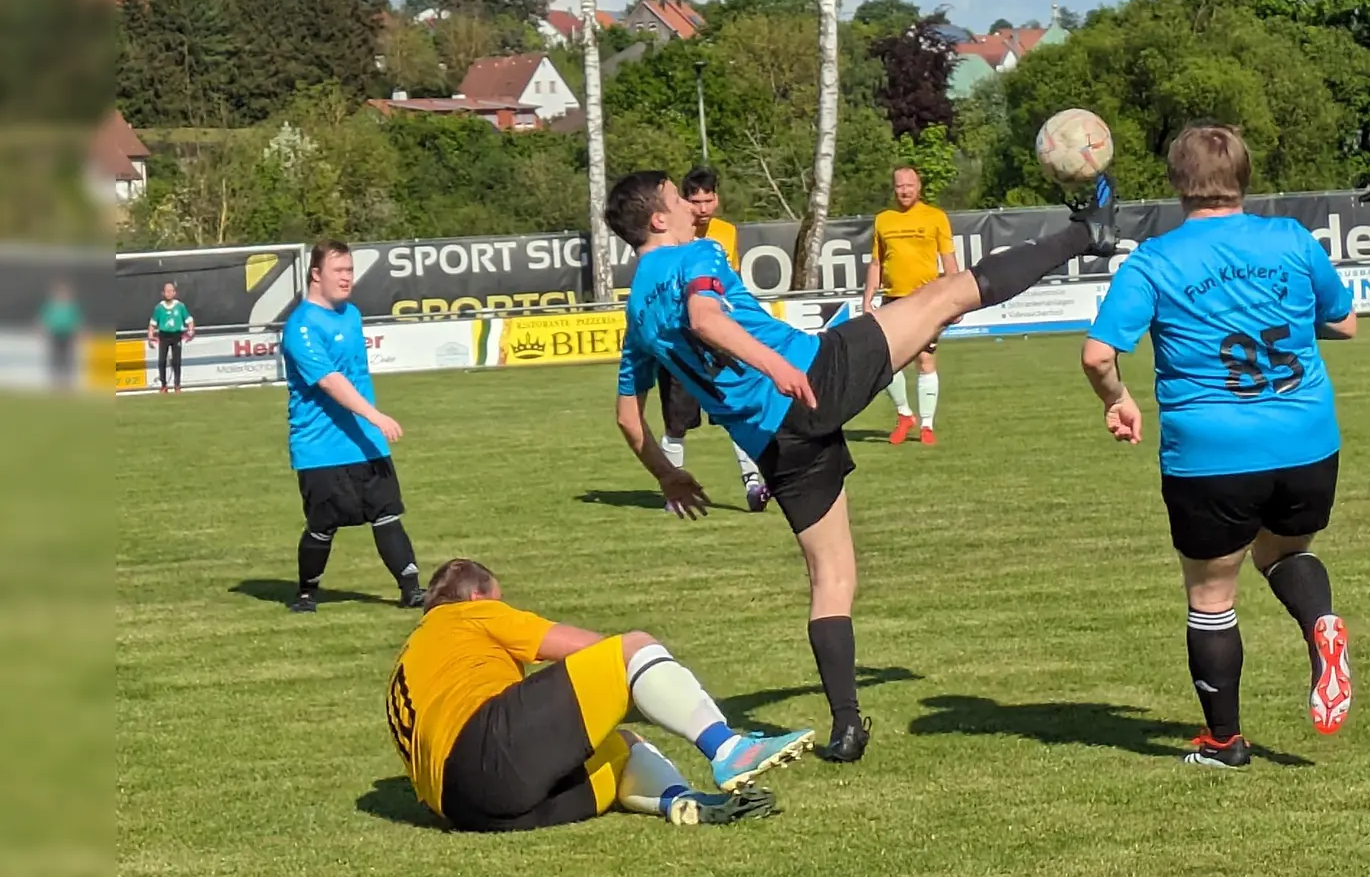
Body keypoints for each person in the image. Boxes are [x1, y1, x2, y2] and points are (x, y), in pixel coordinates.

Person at [607, 169, 1118, 762]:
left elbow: (627, 417)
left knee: (832, 579)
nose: (691, 204)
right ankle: (1087, 234)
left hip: (776, 443)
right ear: (658, 218)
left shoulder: (636, 316)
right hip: (813, 375)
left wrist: (667, 475)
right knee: (944, 297)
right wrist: (776, 367)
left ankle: (846, 724)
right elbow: (705, 318)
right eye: (676, 196)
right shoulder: (695, 253)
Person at [1080, 122, 1357, 769]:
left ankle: (1224, 742)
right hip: (1307, 438)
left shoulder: (1155, 260)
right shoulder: (1291, 238)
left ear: (1178, 183)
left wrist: (1118, 400)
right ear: (1244, 178)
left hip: (1213, 451)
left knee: (1211, 596)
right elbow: (1344, 320)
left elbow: (1098, 356)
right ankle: (1321, 626)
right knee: (1285, 552)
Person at [385, 558, 813, 831]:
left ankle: (684, 802)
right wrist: (650, 678)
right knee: (634, 648)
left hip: (464, 810)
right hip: (487, 749)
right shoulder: (469, 613)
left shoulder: (409, 663)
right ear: (478, 596)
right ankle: (729, 748)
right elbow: (593, 650)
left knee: (622, 747)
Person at [280, 240, 424, 613]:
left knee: (387, 513)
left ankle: (412, 589)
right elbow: (330, 380)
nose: (347, 278)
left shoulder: (352, 314)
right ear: (316, 274)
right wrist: (375, 415)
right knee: (323, 525)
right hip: (320, 448)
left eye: (350, 270)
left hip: (366, 442)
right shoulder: (301, 326)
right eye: (339, 271)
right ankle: (307, 594)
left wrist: (370, 425)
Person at [653, 166, 772, 512]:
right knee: (677, 421)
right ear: (684, 203)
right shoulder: (671, 234)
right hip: (679, 338)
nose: (702, 208)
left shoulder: (726, 234)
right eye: (695, 201)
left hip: (718, 336)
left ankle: (752, 483)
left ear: (717, 199)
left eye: (708, 200)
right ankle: (673, 491)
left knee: (738, 408)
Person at [862, 167, 959, 446]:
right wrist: (867, 298)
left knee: (925, 360)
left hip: (927, 299)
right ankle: (904, 414)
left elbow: (949, 259)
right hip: (893, 300)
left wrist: (956, 300)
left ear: (919, 186)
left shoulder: (936, 217)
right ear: (893, 189)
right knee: (887, 363)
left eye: (909, 185)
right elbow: (877, 263)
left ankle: (926, 425)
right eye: (899, 186)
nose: (904, 190)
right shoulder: (883, 220)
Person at [147, 282, 194, 393]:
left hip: (176, 335)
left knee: (176, 361)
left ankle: (177, 385)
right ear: (163, 293)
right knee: (162, 361)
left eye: (171, 291)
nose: (169, 293)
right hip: (163, 336)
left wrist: (191, 331)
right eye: (166, 291)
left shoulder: (180, 306)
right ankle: (163, 386)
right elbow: (152, 324)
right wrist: (150, 336)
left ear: (174, 292)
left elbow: (189, 320)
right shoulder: (159, 307)